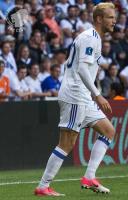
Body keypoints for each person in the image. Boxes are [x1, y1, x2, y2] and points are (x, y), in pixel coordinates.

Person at [34, 2, 116, 196]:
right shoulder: (90, 38)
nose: (114, 21)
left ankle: (89, 177)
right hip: (75, 94)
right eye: (111, 17)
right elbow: (81, 69)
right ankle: (43, 186)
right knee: (67, 143)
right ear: (99, 19)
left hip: (83, 96)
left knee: (108, 131)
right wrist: (97, 94)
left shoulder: (94, 38)